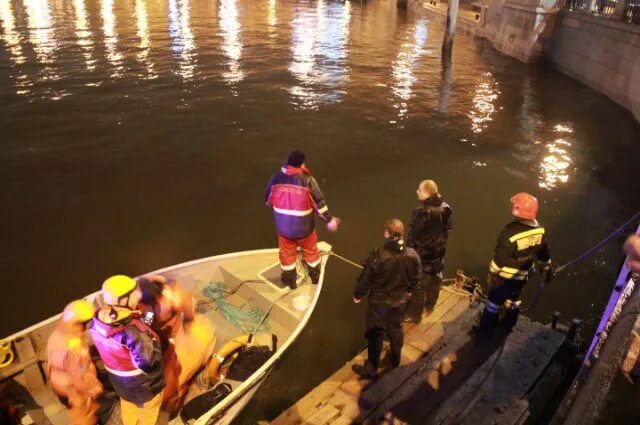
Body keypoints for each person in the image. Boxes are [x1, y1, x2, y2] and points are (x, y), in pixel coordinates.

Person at [89, 275, 165, 425]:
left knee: (129, 411)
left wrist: (147, 317)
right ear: (122, 300)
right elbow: (149, 363)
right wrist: (155, 342)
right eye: (134, 292)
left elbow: (136, 323)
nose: (138, 295)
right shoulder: (131, 331)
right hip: (144, 389)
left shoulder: (98, 320)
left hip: (121, 385)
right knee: (148, 416)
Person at [136, 275, 216, 416]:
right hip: (160, 337)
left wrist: (182, 335)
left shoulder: (172, 297)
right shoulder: (144, 307)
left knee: (176, 380)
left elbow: (188, 311)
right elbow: (146, 325)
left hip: (178, 335)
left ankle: (173, 407)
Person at [352, 219, 422, 379]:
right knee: (396, 328)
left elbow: (366, 279)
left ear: (387, 233)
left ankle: (371, 368)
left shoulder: (378, 255)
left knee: (375, 333)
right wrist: (409, 291)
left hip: (379, 302)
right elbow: (417, 278)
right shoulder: (412, 254)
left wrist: (358, 295)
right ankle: (396, 358)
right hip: (401, 302)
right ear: (402, 234)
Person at [476, 193, 553, 337]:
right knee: (514, 300)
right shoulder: (541, 230)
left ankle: (486, 331)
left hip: (505, 277)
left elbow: (500, 258)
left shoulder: (510, 232)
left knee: (494, 303)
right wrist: (546, 268)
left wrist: (492, 274)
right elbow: (543, 253)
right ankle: (508, 325)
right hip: (523, 275)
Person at [265, 149, 340, 289]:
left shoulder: (275, 178)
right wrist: (329, 220)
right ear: (302, 163)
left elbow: (268, 200)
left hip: (284, 229)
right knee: (311, 251)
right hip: (304, 229)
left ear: (287, 162)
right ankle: (315, 277)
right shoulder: (308, 180)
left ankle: (289, 281)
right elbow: (320, 205)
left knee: (287, 255)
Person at [46, 300, 103, 425]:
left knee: (76, 415)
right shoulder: (76, 349)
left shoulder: (57, 334)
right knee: (85, 418)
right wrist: (94, 388)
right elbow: (80, 374)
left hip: (60, 385)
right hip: (75, 392)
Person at [404, 179, 453, 323]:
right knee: (435, 279)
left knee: (418, 285)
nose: (417, 192)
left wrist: (407, 254)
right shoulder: (447, 208)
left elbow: (413, 237)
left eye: (419, 190)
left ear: (426, 193)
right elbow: (448, 229)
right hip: (439, 252)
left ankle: (414, 314)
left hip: (424, 256)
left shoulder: (421, 212)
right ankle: (430, 304)